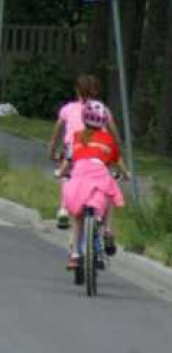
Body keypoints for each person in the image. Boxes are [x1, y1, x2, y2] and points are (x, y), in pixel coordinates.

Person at [60, 100, 128, 271]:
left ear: (84, 119)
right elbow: (116, 161)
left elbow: (68, 161)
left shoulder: (76, 137)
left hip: (79, 178)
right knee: (110, 192)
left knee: (77, 218)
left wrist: (61, 172)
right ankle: (107, 229)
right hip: (99, 175)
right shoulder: (108, 140)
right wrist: (126, 174)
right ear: (104, 121)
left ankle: (75, 255)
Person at [49, 74, 109, 229]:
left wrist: (52, 151)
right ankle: (100, 215)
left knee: (66, 174)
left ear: (77, 90)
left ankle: (63, 209)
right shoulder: (101, 110)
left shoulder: (68, 108)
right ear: (96, 91)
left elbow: (57, 132)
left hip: (73, 148)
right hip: (96, 148)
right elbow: (109, 132)